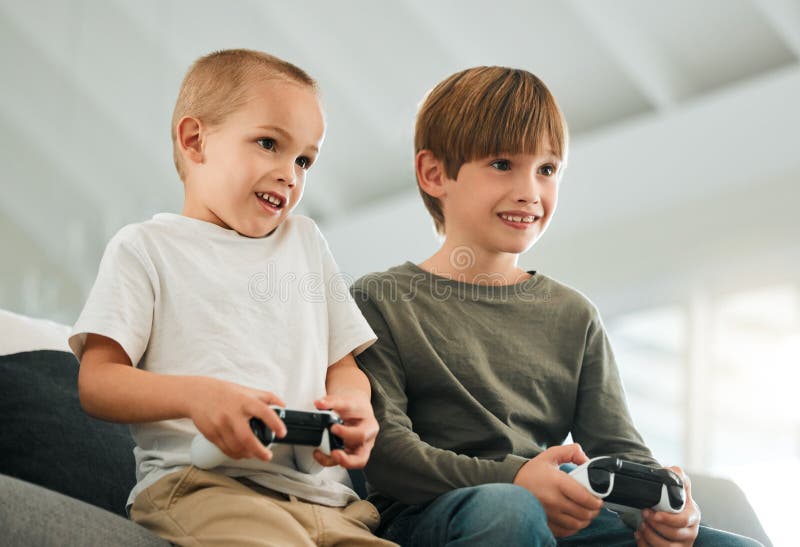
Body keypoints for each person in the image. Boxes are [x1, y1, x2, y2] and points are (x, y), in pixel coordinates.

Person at [350, 66, 762, 546]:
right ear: (434, 173)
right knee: (509, 509)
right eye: (503, 164)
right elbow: (387, 453)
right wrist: (517, 479)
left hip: (565, 522)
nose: (530, 191)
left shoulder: (574, 315)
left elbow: (619, 449)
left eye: (547, 170)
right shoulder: (381, 298)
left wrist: (668, 507)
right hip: (436, 515)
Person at [69, 49, 396, 547]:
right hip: (204, 488)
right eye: (269, 143)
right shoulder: (145, 249)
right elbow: (97, 382)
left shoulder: (306, 242)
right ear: (195, 140)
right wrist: (197, 397)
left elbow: (343, 364)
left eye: (304, 159)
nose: (291, 174)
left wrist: (353, 406)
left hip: (330, 503)